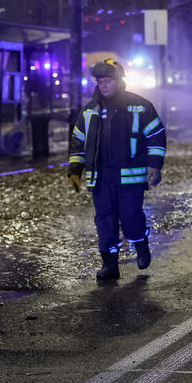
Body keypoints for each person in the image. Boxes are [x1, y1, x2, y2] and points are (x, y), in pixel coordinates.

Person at [69, 58, 166, 281]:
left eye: (108, 81)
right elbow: (78, 141)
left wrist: (154, 165)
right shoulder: (90, 110)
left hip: (131, 178)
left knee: (131, 217)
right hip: (101, 179)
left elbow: (156, 135)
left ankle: (141, 245)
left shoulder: (141, 106)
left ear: (119, 81)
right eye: (100, 81)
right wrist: (75, 170)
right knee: (105, 221)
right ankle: (110, 265)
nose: (103, 85)